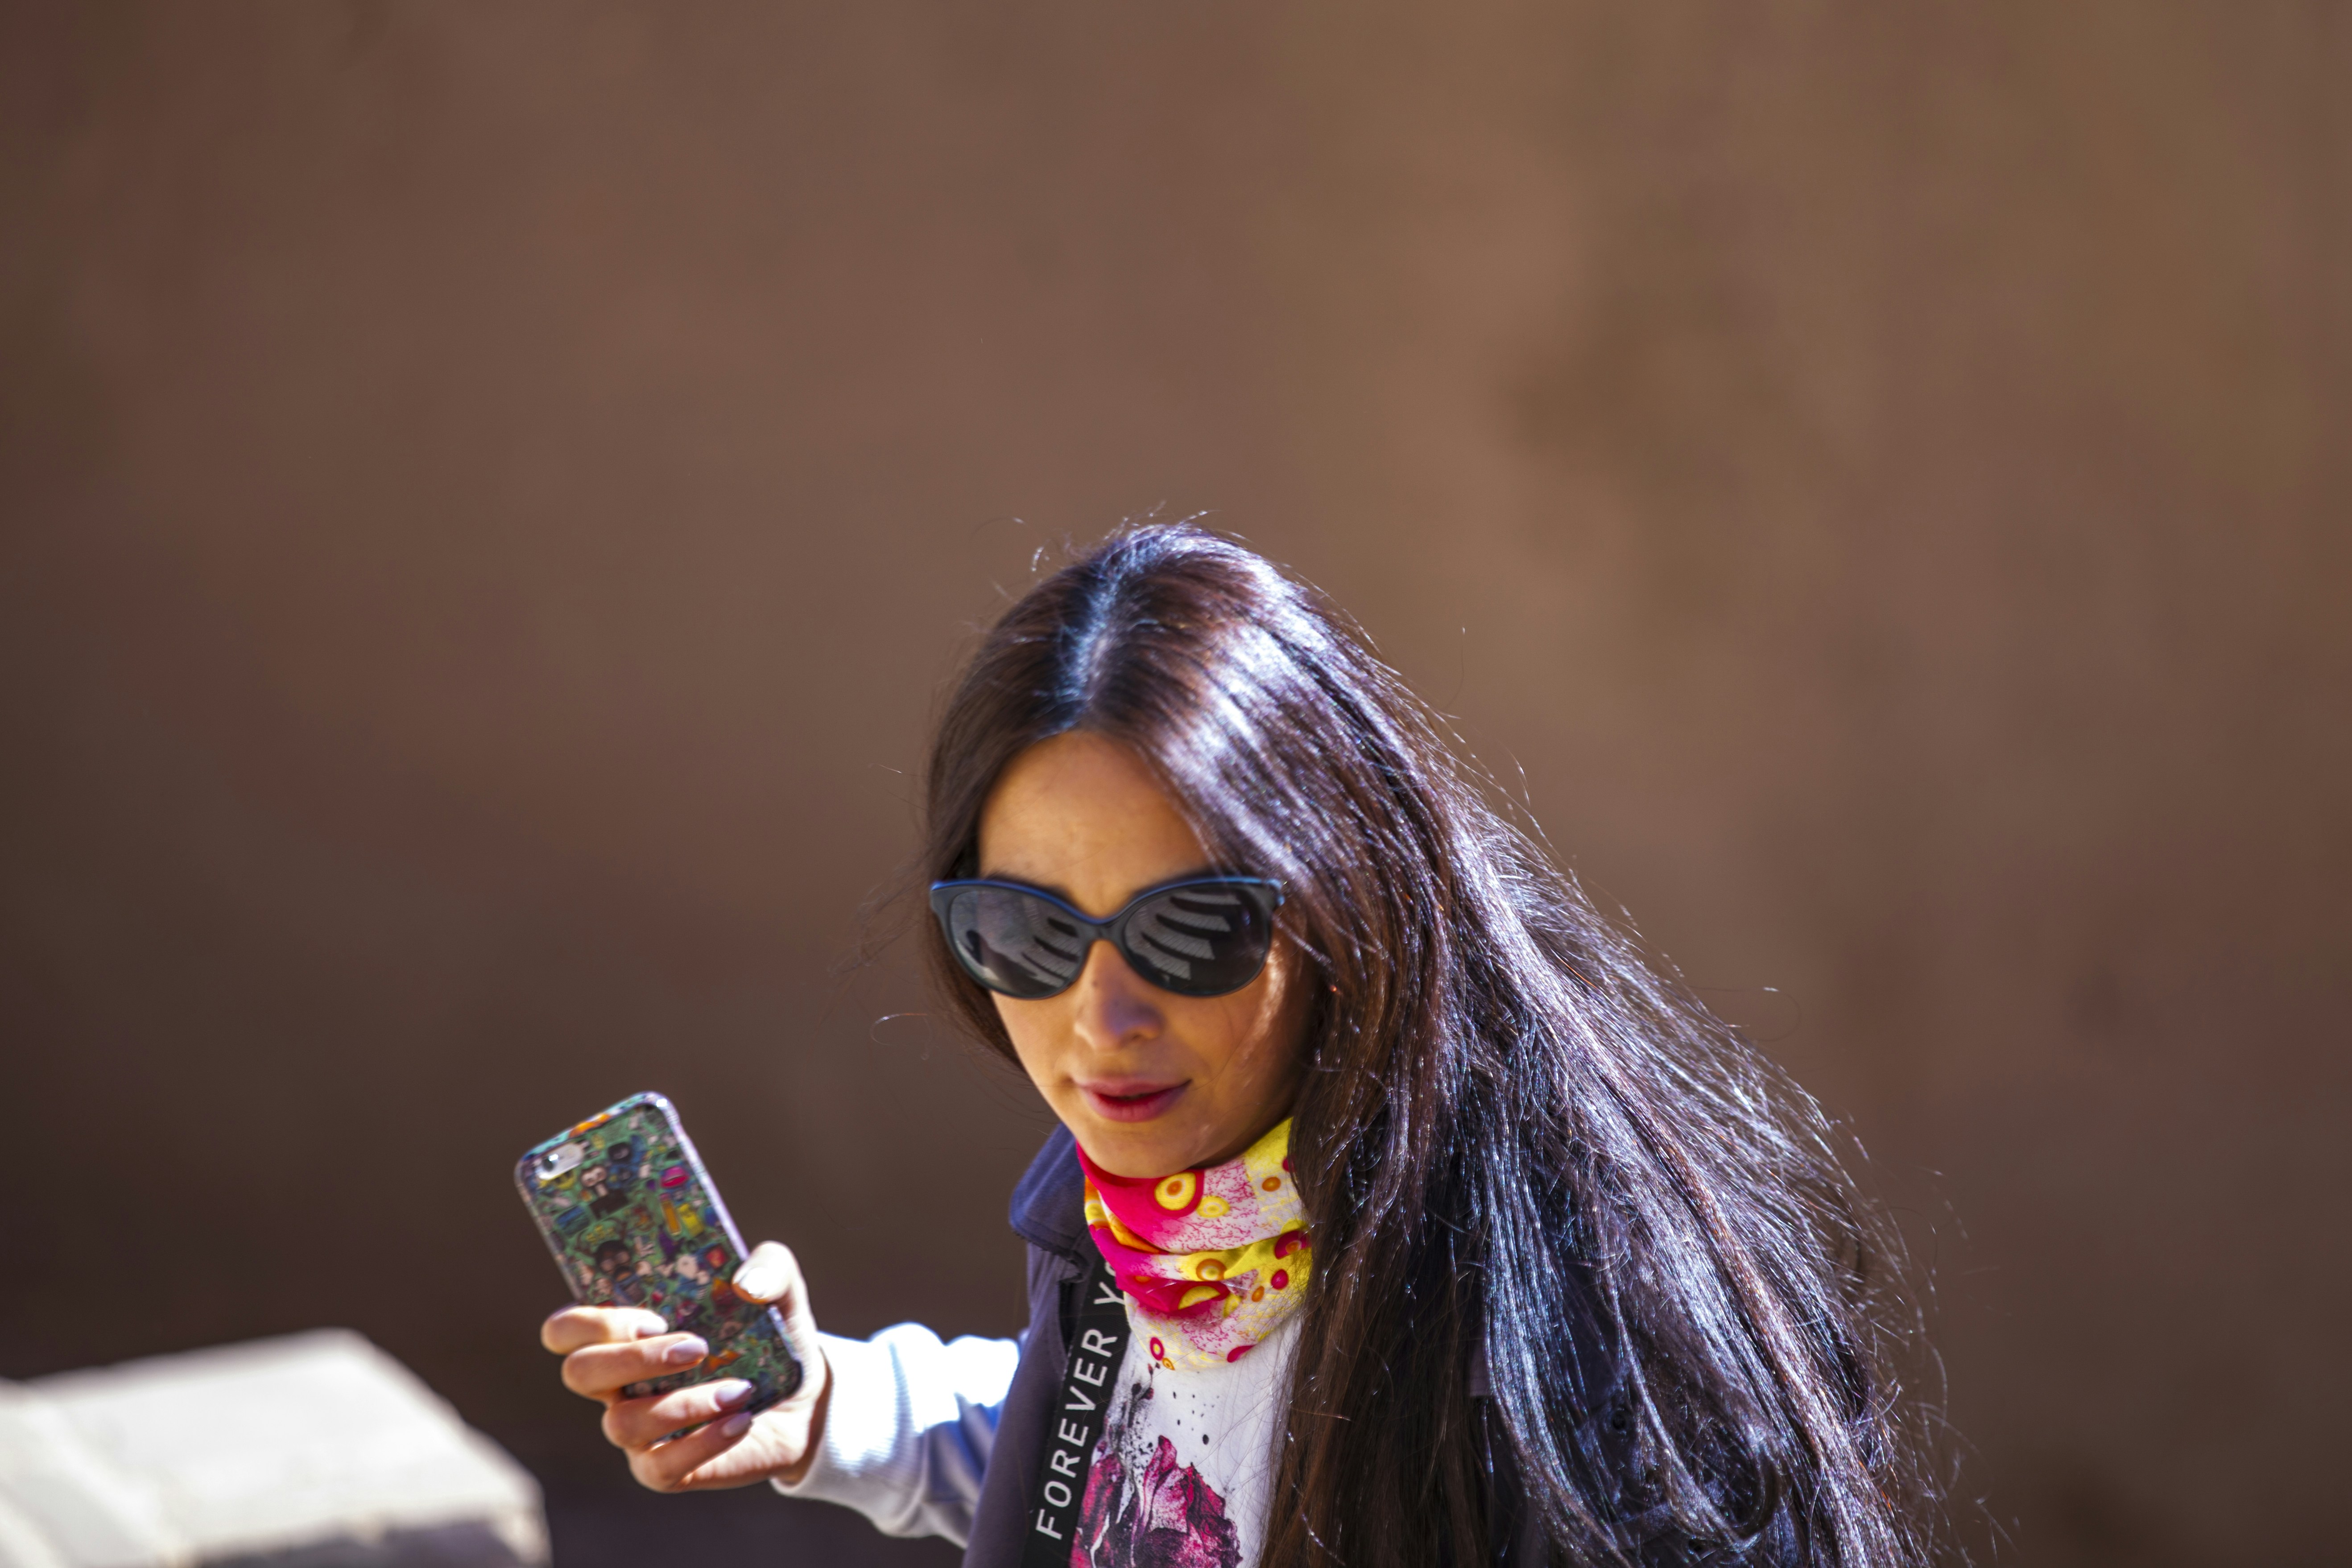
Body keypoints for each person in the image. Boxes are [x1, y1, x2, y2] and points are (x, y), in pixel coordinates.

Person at [541, 525, 1936, 1567]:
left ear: (1351, 911)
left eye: (1192, 931)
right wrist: (832, 1401)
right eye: (1025, 933)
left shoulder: (1568, 1338)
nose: (1104, 1016)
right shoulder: (1168, 1223)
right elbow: (1138, 1467)